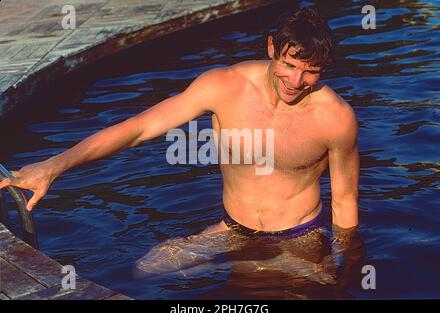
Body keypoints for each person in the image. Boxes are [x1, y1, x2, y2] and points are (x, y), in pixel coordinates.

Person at [0, 8, 359, 248]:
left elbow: (344, 203)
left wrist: (343, 266)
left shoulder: (335, 117)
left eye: (310, 71)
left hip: (301, 239)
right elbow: (138, 128)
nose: (296, 81)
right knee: (146, 273)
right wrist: (53, 166)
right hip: (232, 229)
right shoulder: (223, 86)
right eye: (289, 64)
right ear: (271, 48)